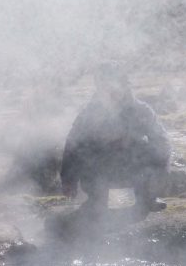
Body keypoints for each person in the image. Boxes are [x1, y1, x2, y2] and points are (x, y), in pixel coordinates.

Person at [60, 67, 170, 215]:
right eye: (104, 87)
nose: (111, 92)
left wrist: (160, 170)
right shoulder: (89, 113)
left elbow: (161, 139)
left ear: (124, 85)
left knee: (153, 149)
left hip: (132, 167)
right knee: (85, 151)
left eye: (114, 85)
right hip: (100, 169)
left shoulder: (140, 110)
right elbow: (72, 145)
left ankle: (147, 198)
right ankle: (96, 202)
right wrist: (68, 179)